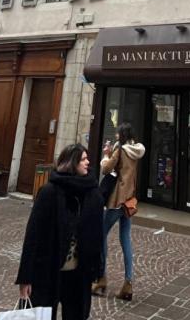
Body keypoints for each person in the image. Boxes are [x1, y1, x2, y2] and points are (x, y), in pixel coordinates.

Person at [16, 144, 102, 320]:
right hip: (48, 271)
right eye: (83, 159)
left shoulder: (92, 194)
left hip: (79, 274)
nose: (88, 162)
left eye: (87, 158)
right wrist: (25, 277)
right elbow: (33, 236)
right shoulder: (49, 192)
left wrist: (96, 268)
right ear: (71, 163)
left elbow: (97, 235)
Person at [92, 123, 145, 301]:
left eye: (117, 133)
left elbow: (106, 169)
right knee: (125, 239)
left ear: (122, 135)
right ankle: (128, 283)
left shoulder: (120, 150)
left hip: (117, 200)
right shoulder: (136, 151)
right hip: (129, 200)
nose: (115, 135)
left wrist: (106, 155)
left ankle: (101, 278)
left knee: (100, 234)